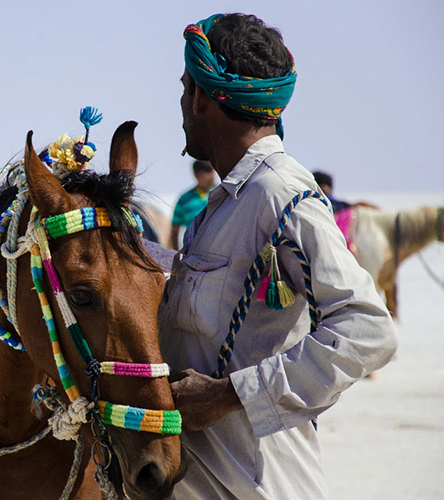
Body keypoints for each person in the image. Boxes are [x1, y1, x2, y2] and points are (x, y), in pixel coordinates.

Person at [158, 13, 397, 499]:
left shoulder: (278, 193)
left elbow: (369, 330)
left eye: (186, 88)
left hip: (259, 484)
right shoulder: (227, 204)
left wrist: (227, 395)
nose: (182, 103)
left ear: (203, 97)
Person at [170, 160, 217, 249]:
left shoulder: (222, 195)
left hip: (221, 251)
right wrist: (175, 253)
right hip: (193, 252)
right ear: (197, 175)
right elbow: (175, 230)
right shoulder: (184, 199)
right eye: (207, 172)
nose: (212, 176)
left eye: (212, 171)